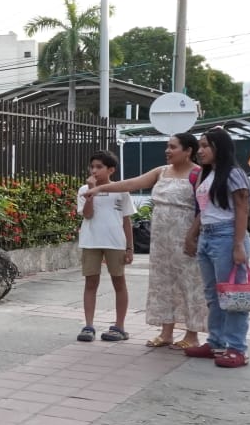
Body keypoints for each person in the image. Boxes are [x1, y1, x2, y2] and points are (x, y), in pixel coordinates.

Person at [88, 133, 206, 349]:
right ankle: (166, 332)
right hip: (161, 239)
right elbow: (131, 184)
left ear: (188, 151)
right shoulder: (161, 171)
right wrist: (101, 187)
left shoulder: (198, 174)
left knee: (190, 284)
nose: (167, 151)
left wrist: (192, 236)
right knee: (163, 283)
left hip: (186, 236)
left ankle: (192, 334)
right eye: (167, 147)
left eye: (173, 147)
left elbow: (205, 207)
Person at [186, 127, 250, 368]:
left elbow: (242, 209)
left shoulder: (234, 173)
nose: (200, 151)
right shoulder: (206, 175)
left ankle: (237, 348)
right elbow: (204, 210)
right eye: (200, 146)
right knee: (213, 296)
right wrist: (192, 236)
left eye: (206, 146)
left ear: (220, 148)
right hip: (207, 235)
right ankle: (216, 342)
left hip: (227, 236)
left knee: (233, 295)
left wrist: (238, 245)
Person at [74, 150, 135, 342]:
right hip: (91, 241)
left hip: (115, 242)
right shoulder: (84, 190)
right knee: (91, 283)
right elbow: (87, 215)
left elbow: (126, 221)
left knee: (119, 282)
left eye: (99, 167)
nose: (94, 170)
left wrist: (130, 248)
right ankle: (89, 325)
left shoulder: (121, 190)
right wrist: (91, 193)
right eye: (92, 166)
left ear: (111, 170)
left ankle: (119, 326)